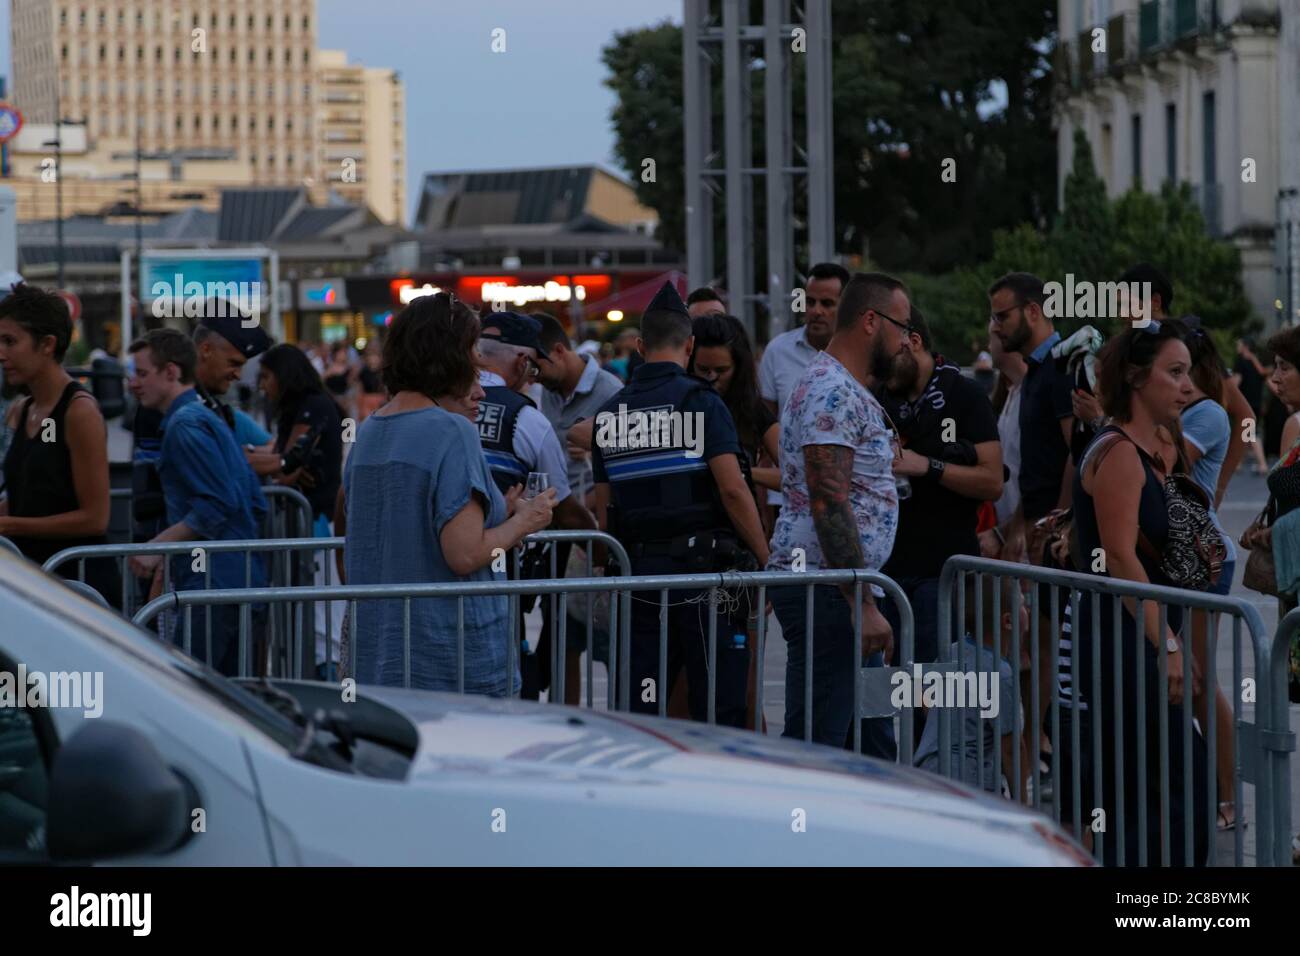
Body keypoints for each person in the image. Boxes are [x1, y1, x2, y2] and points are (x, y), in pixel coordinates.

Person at [338, 293, 555, 692]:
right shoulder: (452, 431)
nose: (478, 368)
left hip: (382, 660)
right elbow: (465, 554)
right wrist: (525, 522)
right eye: (472, 352)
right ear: (450, 355)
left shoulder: (368, 433)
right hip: (449, 658)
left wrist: (495, 514)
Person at [592, 281, 770, 727]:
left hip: (639, 581)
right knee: (719, 707)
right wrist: (769, 561)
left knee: (645, 712)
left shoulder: (611, 414)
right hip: (708, 579)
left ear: (638, 346)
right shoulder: (703, 402)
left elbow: (603, 511)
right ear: (689, 345)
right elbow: (732, 489)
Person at [1067, 321, 1210, 866]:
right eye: (1173, 373)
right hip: (1123, 636)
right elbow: (1122, 556)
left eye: (1188, 374)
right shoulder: (1119, 452)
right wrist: (1167, 646)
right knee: (1160, 789)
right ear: (1135, 378)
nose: (1186, 386)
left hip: (1143, 631)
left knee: (1166, 785)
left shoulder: (1158, 447)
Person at [766, 271, 908, 753]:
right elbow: (828, 498)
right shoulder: (833, 390)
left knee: (870, 743)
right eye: (902, 326)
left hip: (839, 589)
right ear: (871, 321)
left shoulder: (841, 385)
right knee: (817, 744)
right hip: (828, 592)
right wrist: (861, 601)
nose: (907, 340)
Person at [126, 330, 268, 675]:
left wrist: (157, 546)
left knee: (196, 694)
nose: (133, 384)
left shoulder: (185, 424)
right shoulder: (202, 417)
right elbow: (251, 500)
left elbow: (217, 503)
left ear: (171, 372)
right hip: (232, 578)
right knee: (231, 699)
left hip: (212, 584)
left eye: (142, 374)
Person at [876, 306, 1002, 675]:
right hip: (887, 572)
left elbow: (993, 481)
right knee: (886, 694)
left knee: (931, 697)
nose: (883, 369)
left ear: (913, 342)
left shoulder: (964, 395)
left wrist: (928, 467)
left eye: (889, 358)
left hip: (943, 571)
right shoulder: (881, 397)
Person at [476, 311, 595, 704]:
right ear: (523, 360)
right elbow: (557, 503)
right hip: (499, 577)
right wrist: (600, 539)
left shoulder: (437, 404)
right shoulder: (527, 418)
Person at [688, 312, 781, 727]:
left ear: (739, 367)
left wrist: (741, 471)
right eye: (702, 370)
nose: (711, 379)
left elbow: (795, 472)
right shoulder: (682, 401)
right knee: (686, 689)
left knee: (746, 689)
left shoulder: (752, 411)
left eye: (720, 371)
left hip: (741, 556)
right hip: (690, 556)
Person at [0, 283, 118, 605]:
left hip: (79, 589)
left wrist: (9, 525)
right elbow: (31, 495)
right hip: (37, 584)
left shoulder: (80, 411)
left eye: (10, 341)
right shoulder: (22, 409)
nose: (1, 353)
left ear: (47, 345)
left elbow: (95, 518)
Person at [247, 344, 346, 678]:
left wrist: (237, 459)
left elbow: (286, 467)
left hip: (317, 522)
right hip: (305, 522)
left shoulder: (313, 407)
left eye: (266, 376)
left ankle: (328, 688)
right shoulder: (302, 408)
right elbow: (279, 456)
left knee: (320, 619)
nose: (262, 385)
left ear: (284, 374)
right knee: (306, 616)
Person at [913, 573, 1029, 799]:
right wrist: (1022, 803)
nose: (1028, 611)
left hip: (928, 772)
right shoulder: (1000, 673)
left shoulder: (951, 652)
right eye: (1023, 604)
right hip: (970, 782)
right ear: (1008, 621)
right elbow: (1011, 748)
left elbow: (925, 700)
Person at [1232, 338, 1271, 474]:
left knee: (1252, 434)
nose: (1237, 346)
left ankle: (1262, 464)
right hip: (1257, 404)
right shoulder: (1257, 364)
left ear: (1246, 346)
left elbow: (1235, 383)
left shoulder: (1240, 362)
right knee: (1246, 433)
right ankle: (1238, 463)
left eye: (1239, 344)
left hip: (1246, 403)